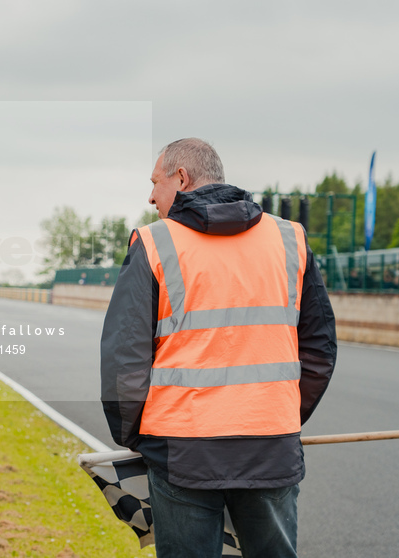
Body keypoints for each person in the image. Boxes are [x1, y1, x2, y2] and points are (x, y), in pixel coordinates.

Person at [100, 138, 337, 558]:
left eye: (155, 182)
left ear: (182, 177)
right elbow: (319, 349)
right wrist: (281, 414)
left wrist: (137, 437)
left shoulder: (154, 244)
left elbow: (124, 361)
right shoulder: (290, 239)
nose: (151, 195)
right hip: (270, 444)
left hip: (181, 450)